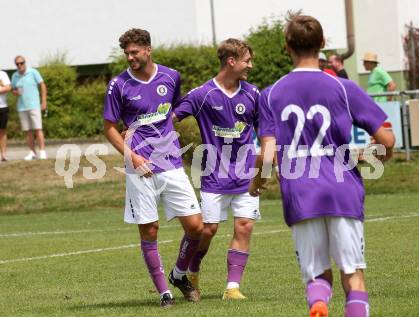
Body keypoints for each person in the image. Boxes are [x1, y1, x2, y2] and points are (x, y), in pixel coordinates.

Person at [249, 12, 395, 317]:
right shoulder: (344, 87)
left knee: (318, 276)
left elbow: (266, 154)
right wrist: (373, 156)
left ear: (287, 46)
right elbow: (387, 140)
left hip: (301, 193)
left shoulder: (271, 94)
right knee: (353, 275)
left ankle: (318, 303)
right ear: (323, 44)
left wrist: (256, 184)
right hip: (343, 190)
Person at [103, 28, 203, 307]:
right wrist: (132, 156)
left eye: (134, 52)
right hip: (139, 166)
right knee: (150, 229)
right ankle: (164, 293)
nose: (130, 57)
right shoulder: (119, 85)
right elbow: (109, 128)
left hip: (170, 160)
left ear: (148, 49)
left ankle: (179, 274)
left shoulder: (171, 76)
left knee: (196, 227)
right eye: (127, 53)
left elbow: (172, 109)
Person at [173, 38, 260, 300]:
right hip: (214, 176)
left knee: (244, 226)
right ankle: (192, 271)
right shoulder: (203, 94)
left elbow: (266, 131)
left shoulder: (253, 94)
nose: (251, 66)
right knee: (208, 230)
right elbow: (172, 118)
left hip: (246, 175)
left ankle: (232, 287)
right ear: (231, 62)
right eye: (247, 60)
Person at [11, 56, 47, 160]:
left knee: (38, 129)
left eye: (21, 63)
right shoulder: (14, 76)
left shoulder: (33, 72)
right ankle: (32, 152)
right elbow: (13, 89)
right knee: (28, 131)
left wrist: (44, 101)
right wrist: (15, 92)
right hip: (22, 107)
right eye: (17, 64)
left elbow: (42, 85)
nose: (19, 65)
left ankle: (42, 151)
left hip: (34, 105)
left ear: (25, 62)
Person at [0, 69, 12, 161]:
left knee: (2, 131)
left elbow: (8, 88)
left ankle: (3, 155)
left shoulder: (2, 74)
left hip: (2, 107)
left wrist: (2, 89)